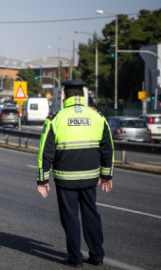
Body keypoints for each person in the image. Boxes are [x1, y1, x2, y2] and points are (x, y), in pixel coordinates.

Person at [36, 80, 114, 268]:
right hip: (90, 178)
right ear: (83, 96)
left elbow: (45, 152)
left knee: (70, 217)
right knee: (91, 215)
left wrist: (42, 179)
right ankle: (96, 255)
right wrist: (106, 176)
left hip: (66, 179)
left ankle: (75, 258)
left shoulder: (57, 118)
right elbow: (107, 147)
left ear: (64, 97)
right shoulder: (97, 116)